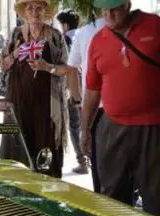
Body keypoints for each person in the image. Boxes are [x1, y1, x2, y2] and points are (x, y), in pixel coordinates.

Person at [81, 0, 160, 216]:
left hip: (155, 127)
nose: (109, 14)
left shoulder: (154, 25)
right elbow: (92, 91)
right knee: (113, 198)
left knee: (155, 198)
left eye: (114, 8)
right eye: (104, 9)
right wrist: (85, 130)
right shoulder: (98, 41)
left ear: (127, 5)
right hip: (113, 128)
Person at [0, 0, 72, 178]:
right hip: (17, 102)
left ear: (45, 11)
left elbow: (66, 69)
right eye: (30, 8)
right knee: (16, 145)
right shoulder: (16, 34)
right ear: (24, 11)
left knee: (45, 150)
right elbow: (3, 65)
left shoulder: (55, 36)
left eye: (39, 7)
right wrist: (16, 53)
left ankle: (47, 192)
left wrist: (47, 67)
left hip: (47, 104)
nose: (34, 12)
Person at [68, 11, 106, 186]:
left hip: (93, 106)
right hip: (117, 107)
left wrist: (77, 100)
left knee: (98, 160)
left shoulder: (84, 33)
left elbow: (71, 68)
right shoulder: (126, 28)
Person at [56, 10, 86, 174]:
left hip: (73, 86)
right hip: (89, 86)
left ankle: (82, 161)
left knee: (74, 125)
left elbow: (68, 67)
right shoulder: (84, 36)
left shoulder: (66, 39)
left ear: (65, 25)